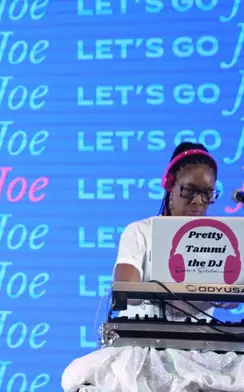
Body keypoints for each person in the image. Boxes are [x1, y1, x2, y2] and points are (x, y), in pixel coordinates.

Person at [61, 142, 243, 392]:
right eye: (189, 191)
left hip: (200, 348)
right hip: (143, 348)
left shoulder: (219, 239)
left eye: (207, 193)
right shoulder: (140, 231)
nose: (199, 202)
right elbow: (127, 291)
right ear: (169, 185)